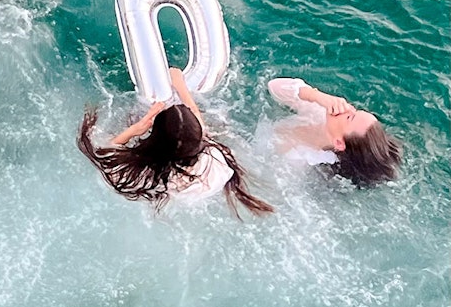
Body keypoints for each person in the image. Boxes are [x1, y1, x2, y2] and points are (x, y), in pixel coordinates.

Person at [77, 67, 274, 218]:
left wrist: (134, 130)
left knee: (128, 118)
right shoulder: (215, 159)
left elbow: (105, 155)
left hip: (162, 198)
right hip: (199, 193)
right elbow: (197, 127)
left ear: (156, 139)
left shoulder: (142, 174)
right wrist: (181, 86)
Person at [266, 77, 401, 186]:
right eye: (355, 110)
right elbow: (273, 86)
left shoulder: (302, 160)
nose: (347, 109)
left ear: (339, 143)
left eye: (350, 117)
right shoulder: (319, 114)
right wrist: (316, 96)